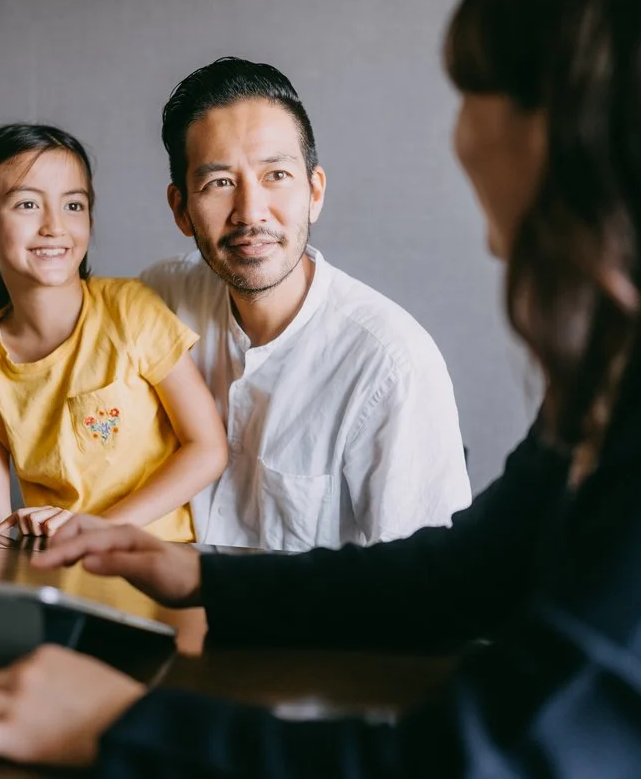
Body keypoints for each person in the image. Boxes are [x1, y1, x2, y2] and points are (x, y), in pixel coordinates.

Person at [0, 0, 641, 774]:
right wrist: (197, 571)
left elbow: (513, 760)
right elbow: (470, 571)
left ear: (584, 121)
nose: (459, 137)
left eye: (479, 93)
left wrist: (123, 731)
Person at [139, 57, 473, 551]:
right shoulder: (159, 301)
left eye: (275, 174)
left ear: (314, 192)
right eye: (219, 183)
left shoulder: (391, 364)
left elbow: (427, 590)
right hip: (160, 622)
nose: (250, 213)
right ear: (181, 210)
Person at [0, 124, 227, 542]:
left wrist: (98, 529)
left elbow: (207, 449)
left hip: (161, 569)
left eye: (73, 206)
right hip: (60, 572)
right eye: (27, 204)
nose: (54, 226)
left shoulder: (132, 310)